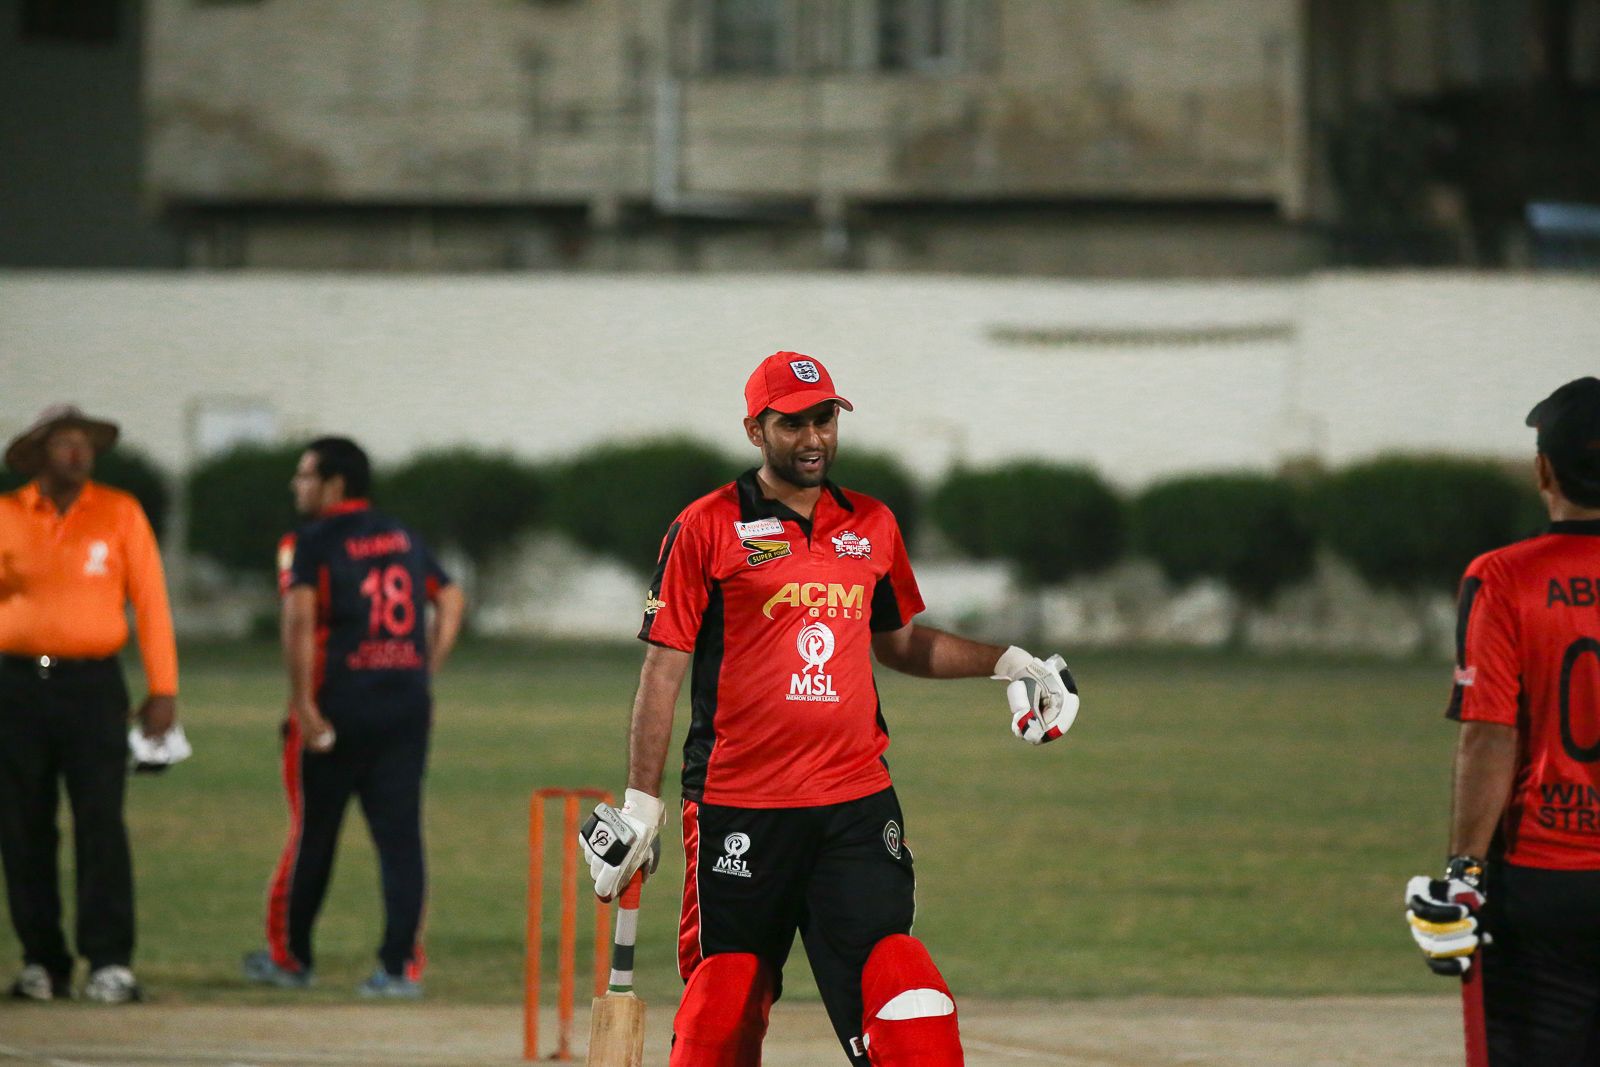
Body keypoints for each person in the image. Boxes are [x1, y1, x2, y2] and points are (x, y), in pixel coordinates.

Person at [578, 352, 1079, 1066]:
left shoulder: (871, 523)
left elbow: (901, 642)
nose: (813, 438)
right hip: (740, 805)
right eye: (792, 424)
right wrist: (639, 802)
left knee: (904, 989)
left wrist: (1010, 662)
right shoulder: (706, 525)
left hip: (855, 803)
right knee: (724, 1003)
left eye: (824, 420)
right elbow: (663, 670)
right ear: (755, 430)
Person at [1405, 376, 1600, 1064]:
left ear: (1544, 470)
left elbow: (1489, 733)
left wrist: (1464, 869)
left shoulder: (1504, 576)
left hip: (1546, 877)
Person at [242, 437, 464, 997]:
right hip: (404, 706)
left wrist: (303, 705)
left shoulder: (311, 541)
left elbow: (298, 622)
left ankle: (293, 960)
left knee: (314, 836)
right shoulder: (402, 535)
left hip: (337, 708)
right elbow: (451, 598)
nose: (296, 485)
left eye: (305, 475)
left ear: (334, 483)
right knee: (401, 841)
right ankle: (398, 969)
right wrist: (426, 666)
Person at [0, 404, 180, 1004]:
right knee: (23, 826)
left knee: (101, 823)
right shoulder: (7, 515)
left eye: (85, 444)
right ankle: (43, 962)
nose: (78, 454)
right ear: (38, 454)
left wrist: (163, 688)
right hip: (18, 686)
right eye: (64, 444)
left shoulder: (119, 512)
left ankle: (109, 961)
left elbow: (150, 600)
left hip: (94, 687)